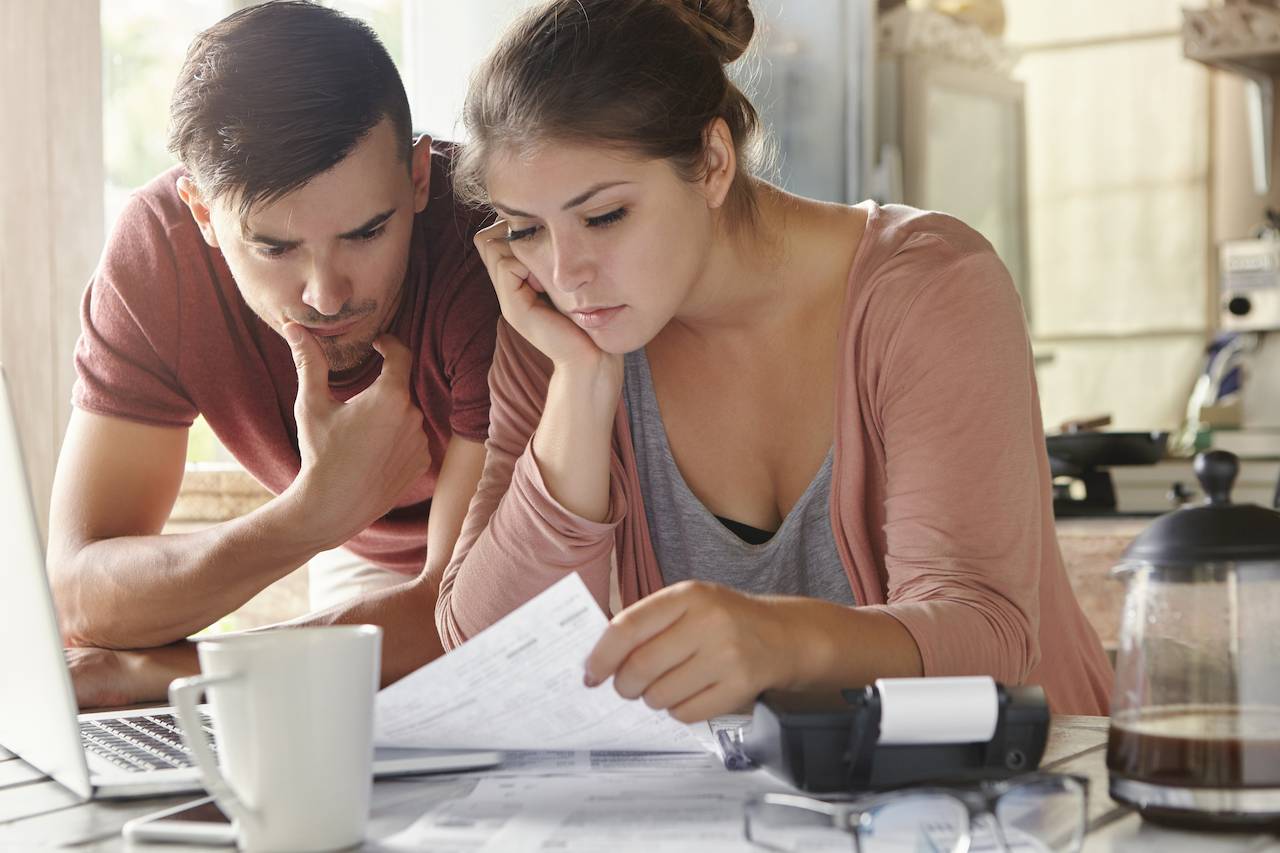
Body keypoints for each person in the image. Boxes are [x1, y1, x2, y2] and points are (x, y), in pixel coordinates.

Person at [435, 0, 1112, 719]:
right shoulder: (553, 331)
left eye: (604, 217)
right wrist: (579, 384)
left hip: (1029, 801)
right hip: (771, 820)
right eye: (526, 229)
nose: (567, 272)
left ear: (714, 163)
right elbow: (487, 654)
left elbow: (988, 635)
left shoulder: (930, 289)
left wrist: (778, 643)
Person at [50, 1, 499, 706]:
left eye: (367, 231)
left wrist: (172, 676)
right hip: (355, 556)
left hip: (512, 576)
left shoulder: (486, 242)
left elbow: (462, 613)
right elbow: (80, 595)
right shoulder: (158, 255)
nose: (325, 294)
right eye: (276, 247)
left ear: (417, 178)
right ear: (202, 212)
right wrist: (312, 516)